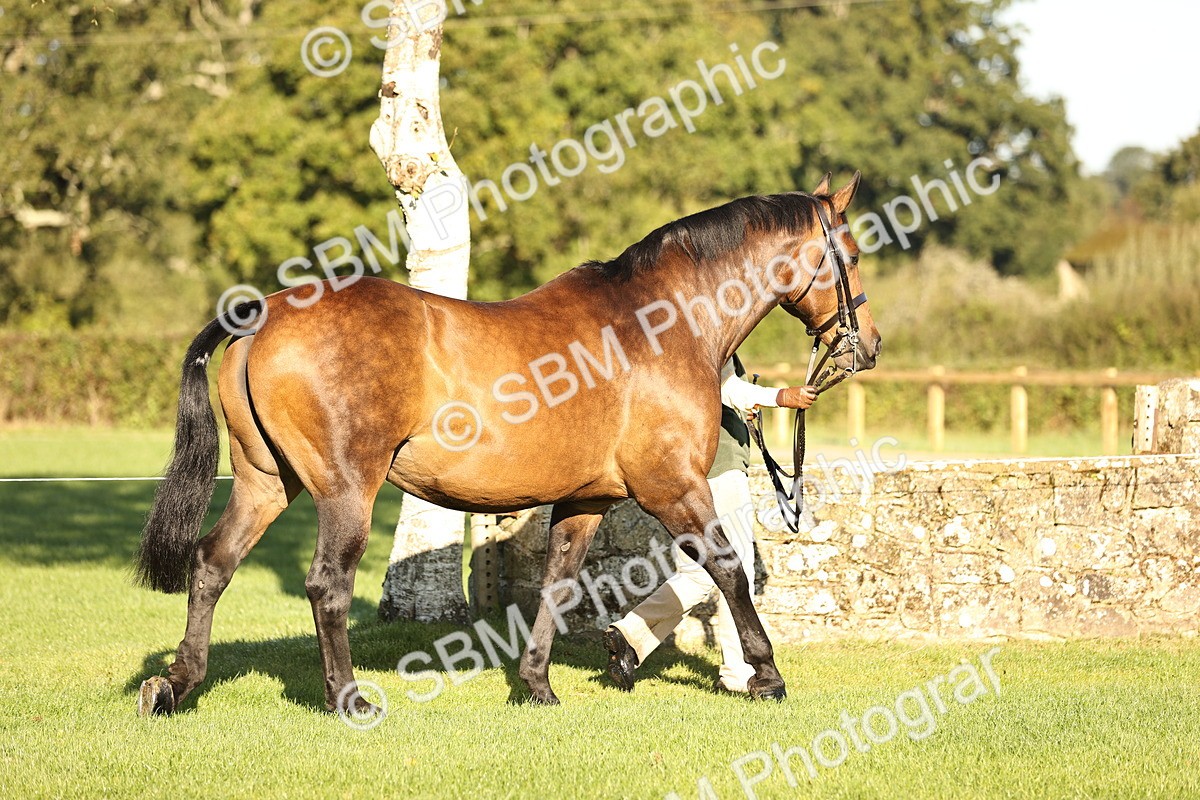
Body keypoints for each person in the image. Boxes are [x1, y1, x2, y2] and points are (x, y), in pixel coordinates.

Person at [604, 355, 817, 693]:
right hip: (720, 470)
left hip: (691, 473)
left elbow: (719, 394)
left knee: (697, 576)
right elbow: (728, 387)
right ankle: (737, 672)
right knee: (737, 567)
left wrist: (738, 413)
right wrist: (781, 397)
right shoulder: (705, 338)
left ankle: (629, 633)